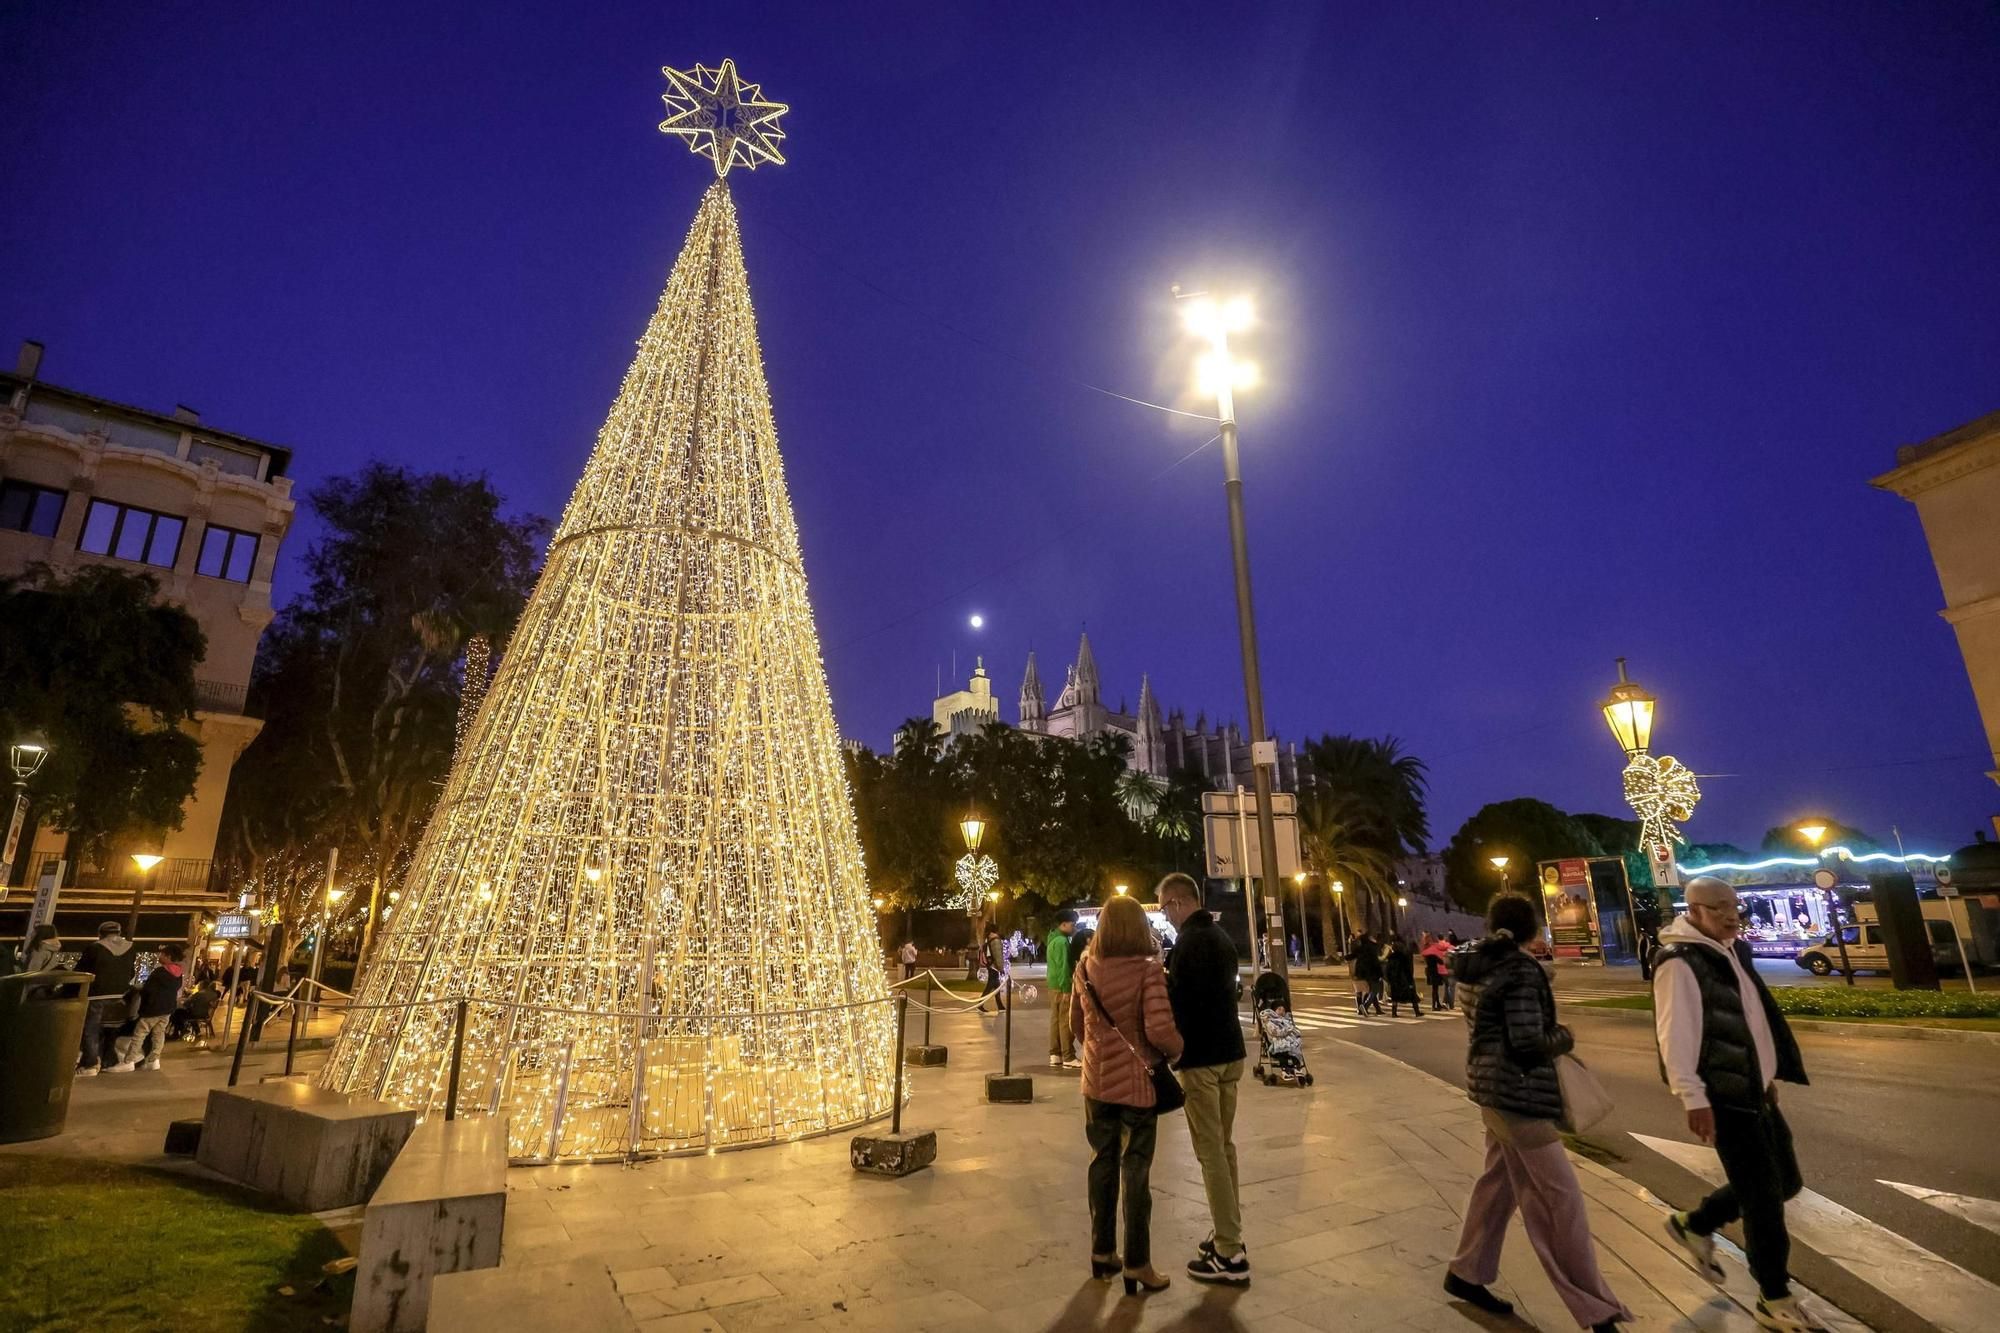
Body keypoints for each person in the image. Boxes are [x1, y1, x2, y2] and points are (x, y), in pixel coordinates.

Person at [1444, 893, 1630, 1332]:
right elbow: (1527, 1042)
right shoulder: (1519, 970)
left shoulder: (1473, 964)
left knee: (1499, 1185)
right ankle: (1595, 1307)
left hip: (1491, 1089)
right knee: (1558, 1200)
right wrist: (1563, 1037)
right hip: (1518, 1095)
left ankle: (1465, 1273)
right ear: (1532, 929)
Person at [1655, 878, 1818, 1333]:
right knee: (1764, 1201)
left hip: (1754, 1092)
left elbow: (1751, 1018)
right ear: (1695, 910)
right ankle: (1774, 1297)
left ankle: (1697, 1221)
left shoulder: (1729, 951)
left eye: (1734, 907)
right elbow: (1675, 1036)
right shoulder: (1680, 962)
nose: (1731, 915)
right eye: (1719, 908)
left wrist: (1766, 1075)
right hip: (1724, 1099)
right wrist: (1692, 1097)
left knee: (1785, 1182)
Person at [1070, 894, 1183, 1296]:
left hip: (1096, 1084)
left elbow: (1077, 1027)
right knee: (1136, 1169)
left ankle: (1103, 1254)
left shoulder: (1085, 967)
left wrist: (1100, 1051)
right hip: (1137, 1084)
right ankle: (1138, 1263)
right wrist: (1175, 1051)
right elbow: (1158, 1029)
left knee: (1101, 1162)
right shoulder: (1148, 970)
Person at [1156, 873, 1251, 1286]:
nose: (1164, 916)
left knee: (1210, 1151)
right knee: (1224, 1147)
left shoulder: (1187, 945)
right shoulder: (1222, 938)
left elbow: (1180, 1005)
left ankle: (1230, 1251)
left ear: (1178, 903)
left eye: (1163, 908)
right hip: (1231, 1054)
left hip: (1202, 1060)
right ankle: (1228, 1233)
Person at [73, 920, 138, 1076]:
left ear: (101, 933)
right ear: (118, 933)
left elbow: (81, 971)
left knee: (91, 1030)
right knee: (111, 1029)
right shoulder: (130, 948)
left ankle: (90, 1064)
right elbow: (131, 972)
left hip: (96, 995)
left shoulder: (95, 948)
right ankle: (108, 1061)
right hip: (120, 996)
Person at [111, 943, 185, 1072]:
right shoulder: (178, 974)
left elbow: (148, 989)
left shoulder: (160, 972)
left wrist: (140, 990)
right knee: (158, 1034)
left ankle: (129, 1061)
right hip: (168, 1008)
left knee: (140, 1034)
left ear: (168, 956)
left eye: (162, 954)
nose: (159, 956)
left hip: (153, 1008)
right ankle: (154, 1060)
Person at [1045, 909, 1079, 1068]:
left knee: (1056, 1020)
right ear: (1064, 924)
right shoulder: (1062, 942)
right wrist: (1067, 989)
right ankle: (1068, 1056)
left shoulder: (1053, 938)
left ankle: (1055, 1054)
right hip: (1062, 986)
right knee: (1066, 1021)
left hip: (1053, 985)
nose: (1075, 928)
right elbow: (1064, 967)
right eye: (1073, 924)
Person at [1347, 931, 1384, 1016]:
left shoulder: (1360, 948)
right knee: (1374, 990)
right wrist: (1380, 973)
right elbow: (1375, 961)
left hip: (1362, 973)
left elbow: (1352, 956)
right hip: (1373, 972)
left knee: (1370, 990)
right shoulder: (1372, 947)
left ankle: (1377, 1009)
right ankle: (1365, 1006)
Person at [1385, 936, 1423, 1018]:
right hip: (1404, 980)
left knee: (1395, 997)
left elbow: (1387, 970)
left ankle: (1394, 1013)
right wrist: (1410, 981)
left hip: (1394, 980)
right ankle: (1417, 1012)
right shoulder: (1404, 957)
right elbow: (1407, 970)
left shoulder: (1391, 958)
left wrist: (1389, 979)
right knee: (1412, 996)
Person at [978, 926, 1007, 1013]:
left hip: (991, 965)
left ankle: (1000, 1006)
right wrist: (1001, 968)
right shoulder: (995, 940)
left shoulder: (989, 939)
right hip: (994, 966)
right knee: (991, 985)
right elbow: (998, 955)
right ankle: (980, 1004)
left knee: (996, 985)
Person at [1421, 931, 1453, 1011]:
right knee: (1435, 989)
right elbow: (1440, 961)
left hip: (1430, 971)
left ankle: (1437, 1003)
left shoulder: (1427, 952)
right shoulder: (1433, 952)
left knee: (1434, 989)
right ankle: (1434, 1005)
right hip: (1435, 971)